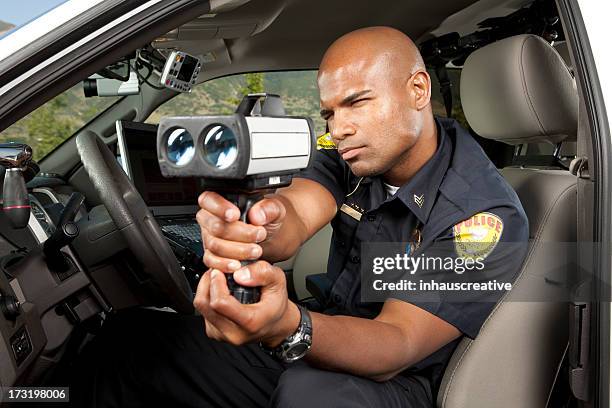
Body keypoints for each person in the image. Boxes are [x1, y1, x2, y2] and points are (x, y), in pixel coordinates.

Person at [68, 26, 528, 408]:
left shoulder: (480, 214)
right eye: (329, 113)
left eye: (357, 102)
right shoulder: (352, 156)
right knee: (134, 342)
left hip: (400, 381)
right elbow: (293, 218)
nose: (338, 127)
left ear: (418, 90)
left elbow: (396, 341)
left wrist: (290, 326)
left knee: (308, 394)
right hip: (324, 332)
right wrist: (254, 225)